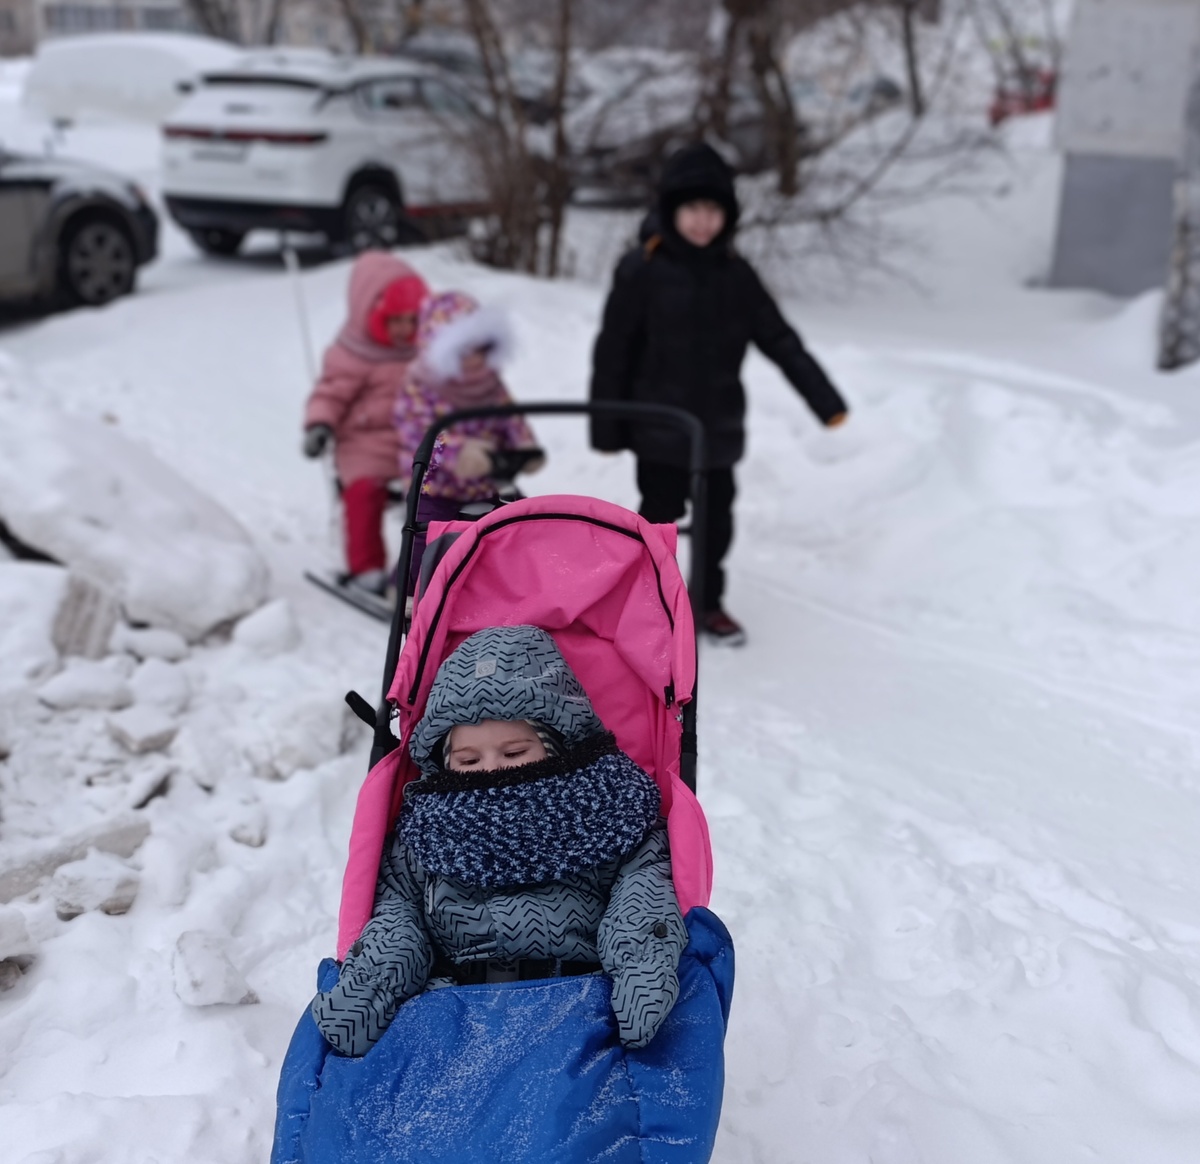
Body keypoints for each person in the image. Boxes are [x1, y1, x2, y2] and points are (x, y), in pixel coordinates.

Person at [311, 624, 688, 1058]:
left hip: (577, 1003)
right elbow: (399, 914)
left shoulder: (607, 807)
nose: (491, 770)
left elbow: (642, 893)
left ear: (557, 745)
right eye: (469, 760)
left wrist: (641, 969)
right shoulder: (427, 828)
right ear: (445, 763)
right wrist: (374, 984)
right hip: (454, 1008)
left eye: (513, 753)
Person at [590, 141, 850, 645]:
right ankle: (653, 600)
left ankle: (708, 603)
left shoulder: (736, 275)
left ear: (727, 216)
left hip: (718, 425)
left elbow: (779, 338)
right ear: (671, 211)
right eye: (692, 209)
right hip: (658, 425)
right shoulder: (641, 269)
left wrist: (825, 400)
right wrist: (608, 424)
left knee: (717, 522)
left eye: (713, 210)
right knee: (660, 517)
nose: (702, 221)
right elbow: (614, 348)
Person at [394, 291, 543, 591]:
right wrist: (461, 453)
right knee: (425, 536)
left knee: (519, 525)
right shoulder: (420, 387)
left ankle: (514, 589)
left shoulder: (491, 383)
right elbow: (419, 433)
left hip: (486, 482)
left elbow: (510, 418)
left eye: (482, 349)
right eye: (467, 351)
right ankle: (410, 591)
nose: (476, 359)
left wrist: (523, 447)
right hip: (435, 486)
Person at [303, 252, 429, 596]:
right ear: (368, 313)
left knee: (433, 495)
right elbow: (330, 394)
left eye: (412, 320)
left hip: (414, 440)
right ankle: (367, 568)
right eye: (395, 321)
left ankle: (422, 569)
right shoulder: (351, 353)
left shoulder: (424, 351)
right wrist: (320, 424)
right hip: (364, 443)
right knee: (363, 493)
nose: (405, 330)